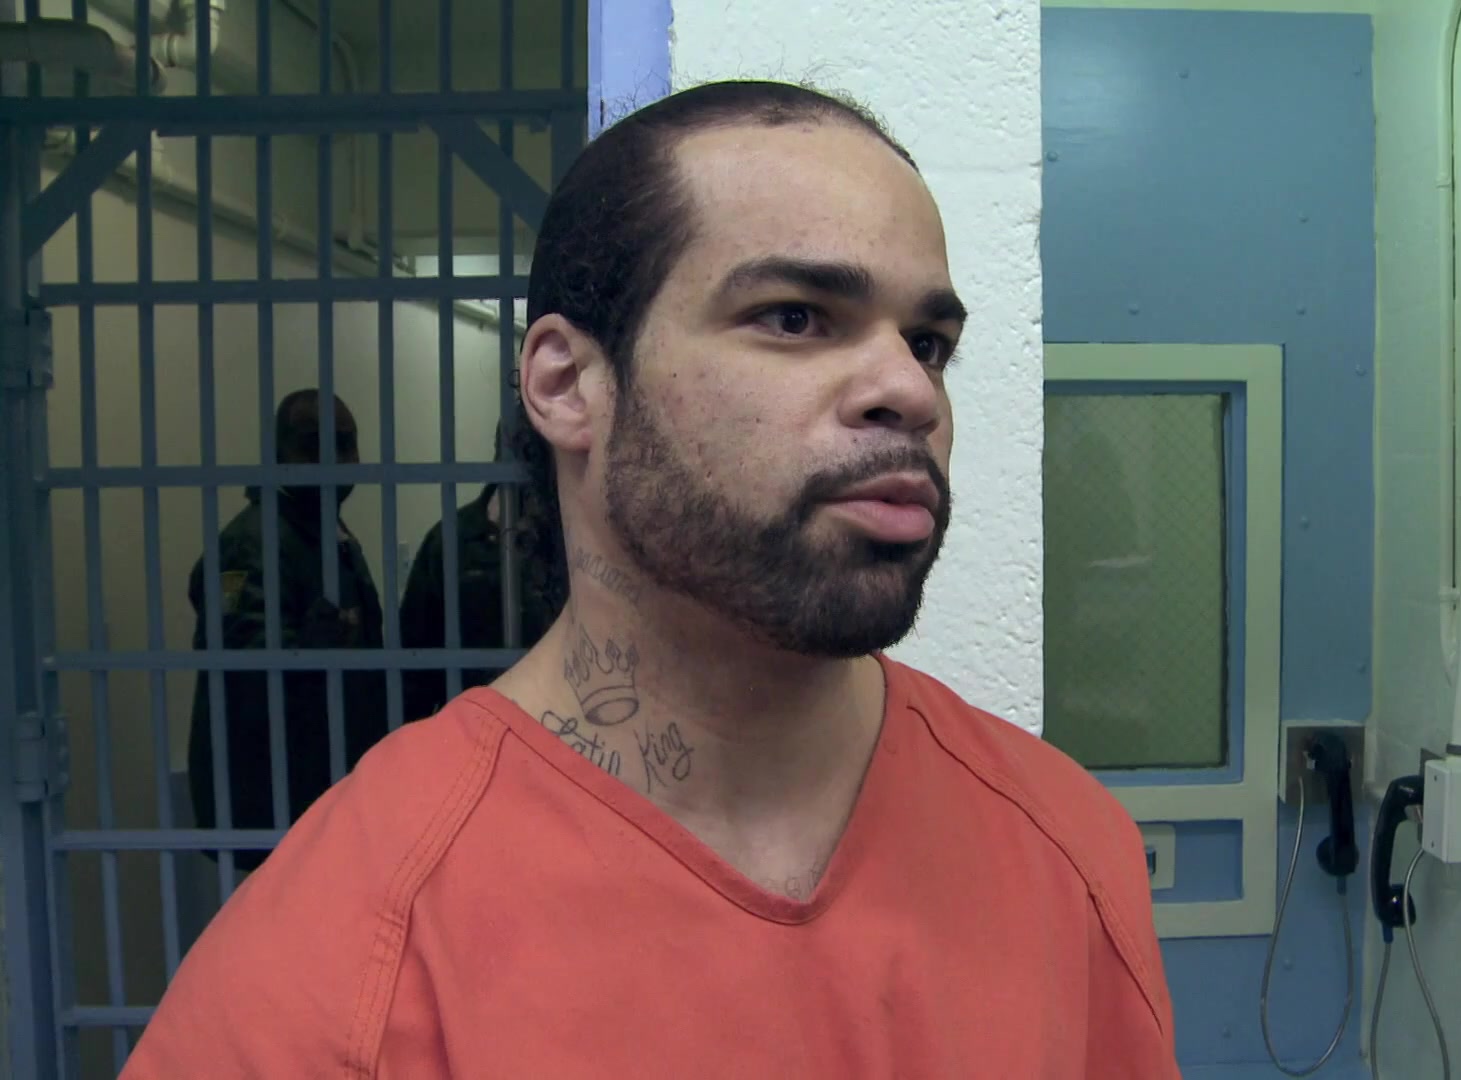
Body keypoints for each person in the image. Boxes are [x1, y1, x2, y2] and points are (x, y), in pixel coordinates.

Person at [125, 81, 1178, 1079]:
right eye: (795, 316)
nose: (910, 389)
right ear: (567, 384)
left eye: (929, 342)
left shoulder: (1066, 852)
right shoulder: (344, 955)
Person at [184, 389, 389, 872]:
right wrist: (308, 650)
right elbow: (245, 671)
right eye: (314, 444)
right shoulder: (254, 544)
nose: (334, 459)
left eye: (344, 443)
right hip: (276, 803)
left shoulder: (322, 535)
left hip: (311, 798)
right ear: (279, 453)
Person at [397, 420, 563, 722]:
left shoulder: (568, 539)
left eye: (536, 450)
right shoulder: (452, 541)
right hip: (470, 726)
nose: (528, 461)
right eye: (523, 449)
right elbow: (415, 662)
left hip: (552, 725)